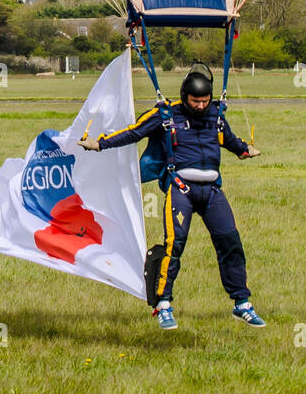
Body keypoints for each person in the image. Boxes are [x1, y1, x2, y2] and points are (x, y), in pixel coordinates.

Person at [79, 66, 264, 331]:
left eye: (205, 101)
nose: (201, 106)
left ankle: (242, 303)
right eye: (195, 101)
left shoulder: (216, 116)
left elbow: (229, 140)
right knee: (174, 245)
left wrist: (244, 150)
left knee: (230, 242)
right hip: (182, 190)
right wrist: (100, 144)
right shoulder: (166, 115)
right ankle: (163, 304)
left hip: (212, 191)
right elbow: (134, 132)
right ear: (185, 96)